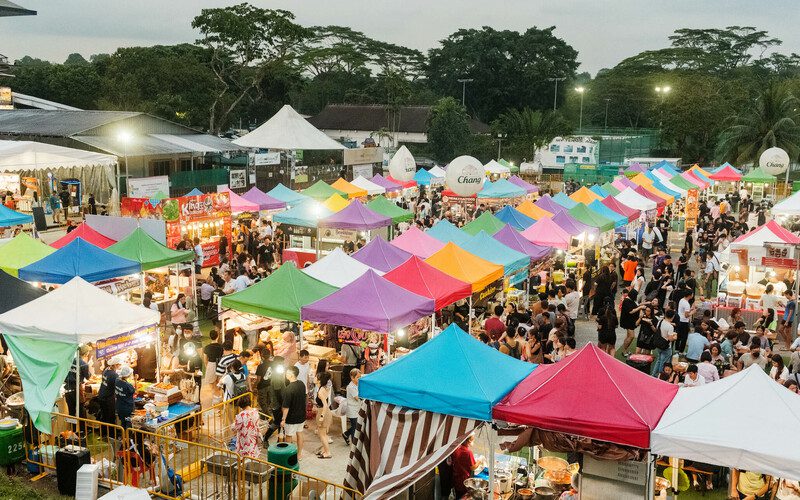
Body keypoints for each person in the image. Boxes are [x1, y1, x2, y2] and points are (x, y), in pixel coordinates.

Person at [280, 366, 307, 457]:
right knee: (300, 434)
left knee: (289, 437)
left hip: (292, 418)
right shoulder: (302, 384)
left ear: (291, 375)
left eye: (287, 373)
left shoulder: (289, 389)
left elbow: (286, 407)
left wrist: (283, 419)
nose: (286, 374)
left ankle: (289, 456)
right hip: (301, 415)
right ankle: (299, 455)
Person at [452, 433, 483, 499]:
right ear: (468, 441)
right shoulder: (468, 452)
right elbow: (473, 467)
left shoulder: (456, 448)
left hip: (455, 477)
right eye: (472, 440)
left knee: (458, 495)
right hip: (463, 480)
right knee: (463, 496)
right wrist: (479, 461)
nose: (473, 441)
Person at [65, 346, 91, 419]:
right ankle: (82, 429)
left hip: (67, 389)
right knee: (81, 410)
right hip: (77, 389)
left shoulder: (70, 360)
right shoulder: (84, 364)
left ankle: (72, 429)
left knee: (71, 411)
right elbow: (88, 377)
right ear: (85, 353)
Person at [651, 310, 677, 377]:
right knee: (663, 363)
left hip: (658, 344)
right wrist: (675, 337)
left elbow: (657, 330)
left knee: (659, 360)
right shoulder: (670, 327)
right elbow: (670, 339)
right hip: (666, 347)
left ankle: (654, 374)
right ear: (673, 317)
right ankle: (660, 376)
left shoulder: (660, 322)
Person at [314, 372, 333, 459]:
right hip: (326, 412)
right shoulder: (323, 388)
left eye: (315, 377)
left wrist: (321, 417)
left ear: (319, 380)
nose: (314, 378)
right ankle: (324, 450)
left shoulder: (321, 391)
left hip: (323, 412)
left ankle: (328, 452)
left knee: (322, 435)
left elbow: (325, 405)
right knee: (323, 434)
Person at [619, 289, 643, 355]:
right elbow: (631, 311)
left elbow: (635, 306)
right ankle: (624, 351)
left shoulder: (630, 300)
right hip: (627, 321)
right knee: (631, 336)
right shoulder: (627, 301)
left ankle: (625, 350)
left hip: (630, 320)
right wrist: (639, 308)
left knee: (628, 336)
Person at [115, 366, 135, 430]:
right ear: (128, 375)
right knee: (128, 423)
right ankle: (128, 437)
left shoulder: (117, 381)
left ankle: (123, 436)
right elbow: (135, 391)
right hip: (127, 409)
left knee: (123, 422)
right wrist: (136, 380)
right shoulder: (128, 385)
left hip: (119, 407)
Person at [343, 368, 360, 445]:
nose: (359, 379)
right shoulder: (350, 387)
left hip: (357, 408)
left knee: (355, 425)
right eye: (358, 377)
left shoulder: (357, 384)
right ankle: (354, 445)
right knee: (355, 427)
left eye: (360, 377)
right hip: (352, 409)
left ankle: (346, 434)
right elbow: (357, 398)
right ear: (352, 378)